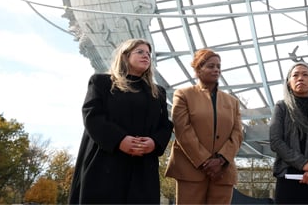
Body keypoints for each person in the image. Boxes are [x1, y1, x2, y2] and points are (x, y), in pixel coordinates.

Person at [69, 38, 173, 204]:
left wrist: (154, 143)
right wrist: (119, 140)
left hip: (142, 167)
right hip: (105, 162)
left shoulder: (158, 93)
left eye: (148, 53)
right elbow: (92, 115)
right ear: (125, 56)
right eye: (140, 52)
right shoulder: (101, 83)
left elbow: (165, 125)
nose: (146, 56)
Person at [165, 49, 243, 204]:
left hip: (223, 172)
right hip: (190, 171)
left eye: (218, 66)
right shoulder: (183, 95)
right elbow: (182, 130)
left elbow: (237, 133)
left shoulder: (232, 102)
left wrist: (221, 160)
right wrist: (205, 161)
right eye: (211, 66)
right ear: (198, 69)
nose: (216, 70)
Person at [269, 62, 308, 204]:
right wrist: (303, 164)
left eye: (305, 75)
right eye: (295, 75)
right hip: (288, 179)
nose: (300, 78)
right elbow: (275, 141)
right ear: (288, 82)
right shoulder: (281, 108)